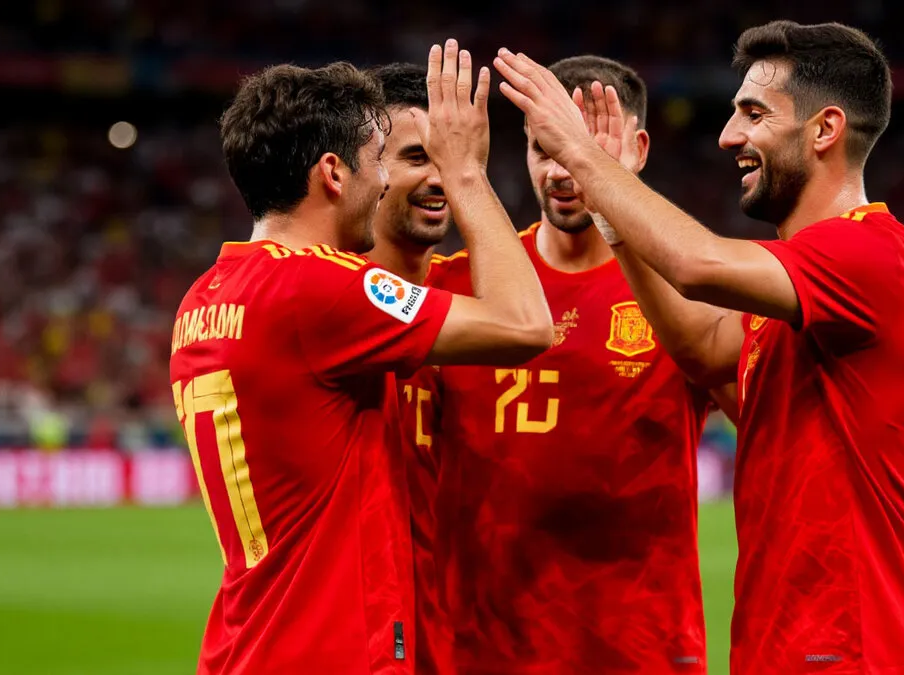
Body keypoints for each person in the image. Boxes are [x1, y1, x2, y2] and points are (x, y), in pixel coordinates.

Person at [494, 19, 904, 674]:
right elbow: (704, 348)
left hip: (847, 643)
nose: (727, 136)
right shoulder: (807, 285)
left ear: (824, 130)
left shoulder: (867, 252)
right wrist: (608, 213)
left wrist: (582, 157)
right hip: (793, 637)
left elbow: (694, 263)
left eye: (753, 113)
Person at [169, 43, 552, 675]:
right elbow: (525, 324)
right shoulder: (315, 288)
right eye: (380, 161)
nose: (382, 185)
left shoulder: (205, 296)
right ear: (333, 173)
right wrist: (465, 174)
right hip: (328, 646)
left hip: (249, 639)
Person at [427, 56, 711, 673]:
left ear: (636, 146)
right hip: (480, 643)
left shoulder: (685, 297)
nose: (559, 172)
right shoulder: (458, 283)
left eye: (576, 149)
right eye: (541, 149)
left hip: (641, 644)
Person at [365, 61, 457, 675]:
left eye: (453, 156)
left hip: (462, 632)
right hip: (359, 631)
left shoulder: (474, 297)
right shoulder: (326, 299)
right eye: (417, 156)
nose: (442, 177)